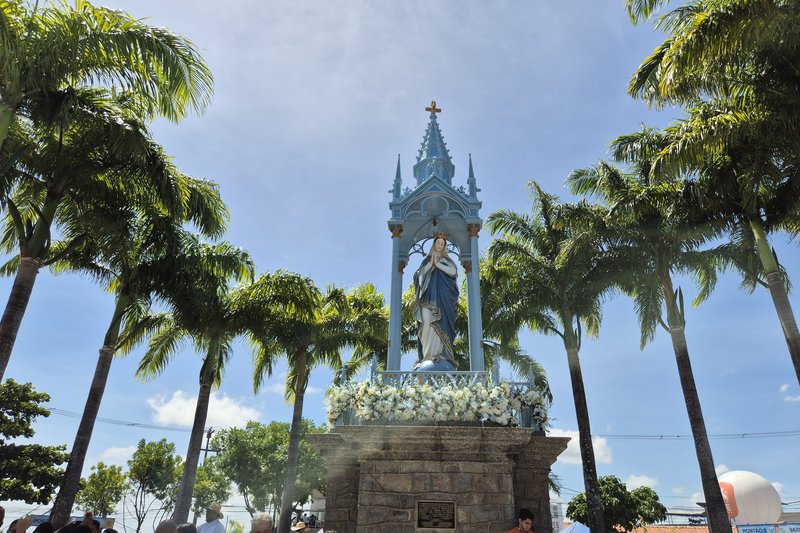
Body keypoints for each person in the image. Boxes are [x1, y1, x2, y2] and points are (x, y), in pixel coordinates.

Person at [413, 234, 459, 371]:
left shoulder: (446, 260)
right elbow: (419, 275)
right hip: (427, 299)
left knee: (442, 323)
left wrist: (438, 264)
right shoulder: (426, 260)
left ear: (444, 247)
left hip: (443, 300)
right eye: (437, 243)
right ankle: (428, 355)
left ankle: (441, 354)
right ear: (434, 244)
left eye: (442, 244)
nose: (439, 245)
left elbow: (453, 271)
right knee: (427, 322)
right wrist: (430, 265)